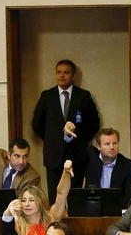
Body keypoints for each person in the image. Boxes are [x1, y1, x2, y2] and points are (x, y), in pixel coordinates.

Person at [31, 59, 100, 200]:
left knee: (75, 199)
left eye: (66, 72)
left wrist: (80, 140)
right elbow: (36, 124)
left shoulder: (84, 96)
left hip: (77, 155)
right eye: (59, 72)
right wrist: (52, 138)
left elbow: (94, 123)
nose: (61, 76)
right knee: (54, 198)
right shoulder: (47, 96)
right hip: (53, 156)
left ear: (73, 75)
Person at [5, 159, 73, 235]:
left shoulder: (50, 219)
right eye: (23, 200)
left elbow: (61, 194)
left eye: (31, 200)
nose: (27, 204)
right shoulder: (17, 223)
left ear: (40, 202)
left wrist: (66, 172)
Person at [83, 128, 131, 208]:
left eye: (115, 143)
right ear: (98, 146)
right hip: (92, 210)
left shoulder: (128, 166)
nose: (112, 147)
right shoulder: (90, 159)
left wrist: (107, 205)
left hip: (117, 211)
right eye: (107, 144)